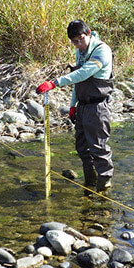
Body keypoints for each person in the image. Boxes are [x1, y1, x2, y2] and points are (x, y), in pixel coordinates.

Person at [36, 20, 114, 192]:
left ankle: (105, 185)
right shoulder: (81, 52)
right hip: (83, 106)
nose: (78, 44)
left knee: (98, 147)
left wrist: (55, 83)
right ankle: (90, 181)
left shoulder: (102, 51)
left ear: (88, 33)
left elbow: (84, 73)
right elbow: (78, 82)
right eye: (74, 41)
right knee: (81, 146)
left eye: (81, 39)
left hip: (98, 107)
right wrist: (73, 106)